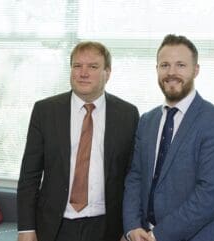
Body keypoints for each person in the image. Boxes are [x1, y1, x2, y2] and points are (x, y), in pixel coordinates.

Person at [17, 41, 140, 241]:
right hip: (55, 226)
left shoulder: (128, 114)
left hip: (106, 227)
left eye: (92, 67)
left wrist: (130, 227)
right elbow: (29, 174)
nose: (83, 73)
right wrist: (26, 228)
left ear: (107, 73)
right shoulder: (45, 111)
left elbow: (133, 177)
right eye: (77, 66)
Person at [123, 34, 214, 241]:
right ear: (156, 69)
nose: (171, 72)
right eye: (164, 65)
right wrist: (132, 227)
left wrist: (158, 235)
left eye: (181, 65)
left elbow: (208, 196)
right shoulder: (147, 121)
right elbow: (135, 177)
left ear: (196, 70)